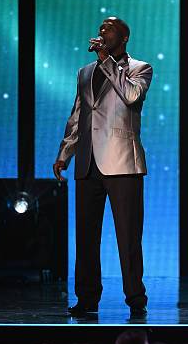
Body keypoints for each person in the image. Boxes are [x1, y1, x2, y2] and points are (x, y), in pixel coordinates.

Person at [53, 17, 152, 318]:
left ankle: (135, 297)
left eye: (108, 29)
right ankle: (87, 298)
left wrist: (108, 62)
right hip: (87, 162)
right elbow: (78, 115)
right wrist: (64, 153)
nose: (101, 32)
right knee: (85, 236)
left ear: (123, 38)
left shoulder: (139, 68)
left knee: (128, 235)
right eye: (100, 28)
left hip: (123, 162)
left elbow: (131, 96)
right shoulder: (85, 72)